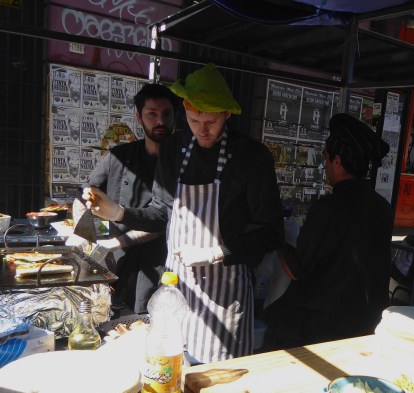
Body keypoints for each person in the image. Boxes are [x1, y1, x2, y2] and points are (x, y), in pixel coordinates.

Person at [84, 64, 284, 363]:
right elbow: (161, 214)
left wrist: (215, 253)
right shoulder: (174, 149)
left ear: (227, 114)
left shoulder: (251, 157)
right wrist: (118, 212)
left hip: (225, 294)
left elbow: (271, 232)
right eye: (194, 120)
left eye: (211, 121)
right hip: (175, 289)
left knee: (218, 376)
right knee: (172, 365)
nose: (202, 130)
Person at [264, 113, 393, 348]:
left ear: (337, 161)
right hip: (369, 324)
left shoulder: (328, 208)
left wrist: (279, 242)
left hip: (324, 328)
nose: (324, 165)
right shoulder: (382, 207)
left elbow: (296, 269)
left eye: (325, 157)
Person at [86, 83, 177, 314]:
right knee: (107, 315)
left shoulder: (181, 163)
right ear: (139, 117)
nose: (160, 121)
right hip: (116, 258)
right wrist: (85, 232)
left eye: (167, 114)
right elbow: (87, 192)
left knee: (147, 319)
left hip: (158, 261)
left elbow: (164, 219)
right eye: (152, 114)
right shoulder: (119, 156)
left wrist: (117, 241)